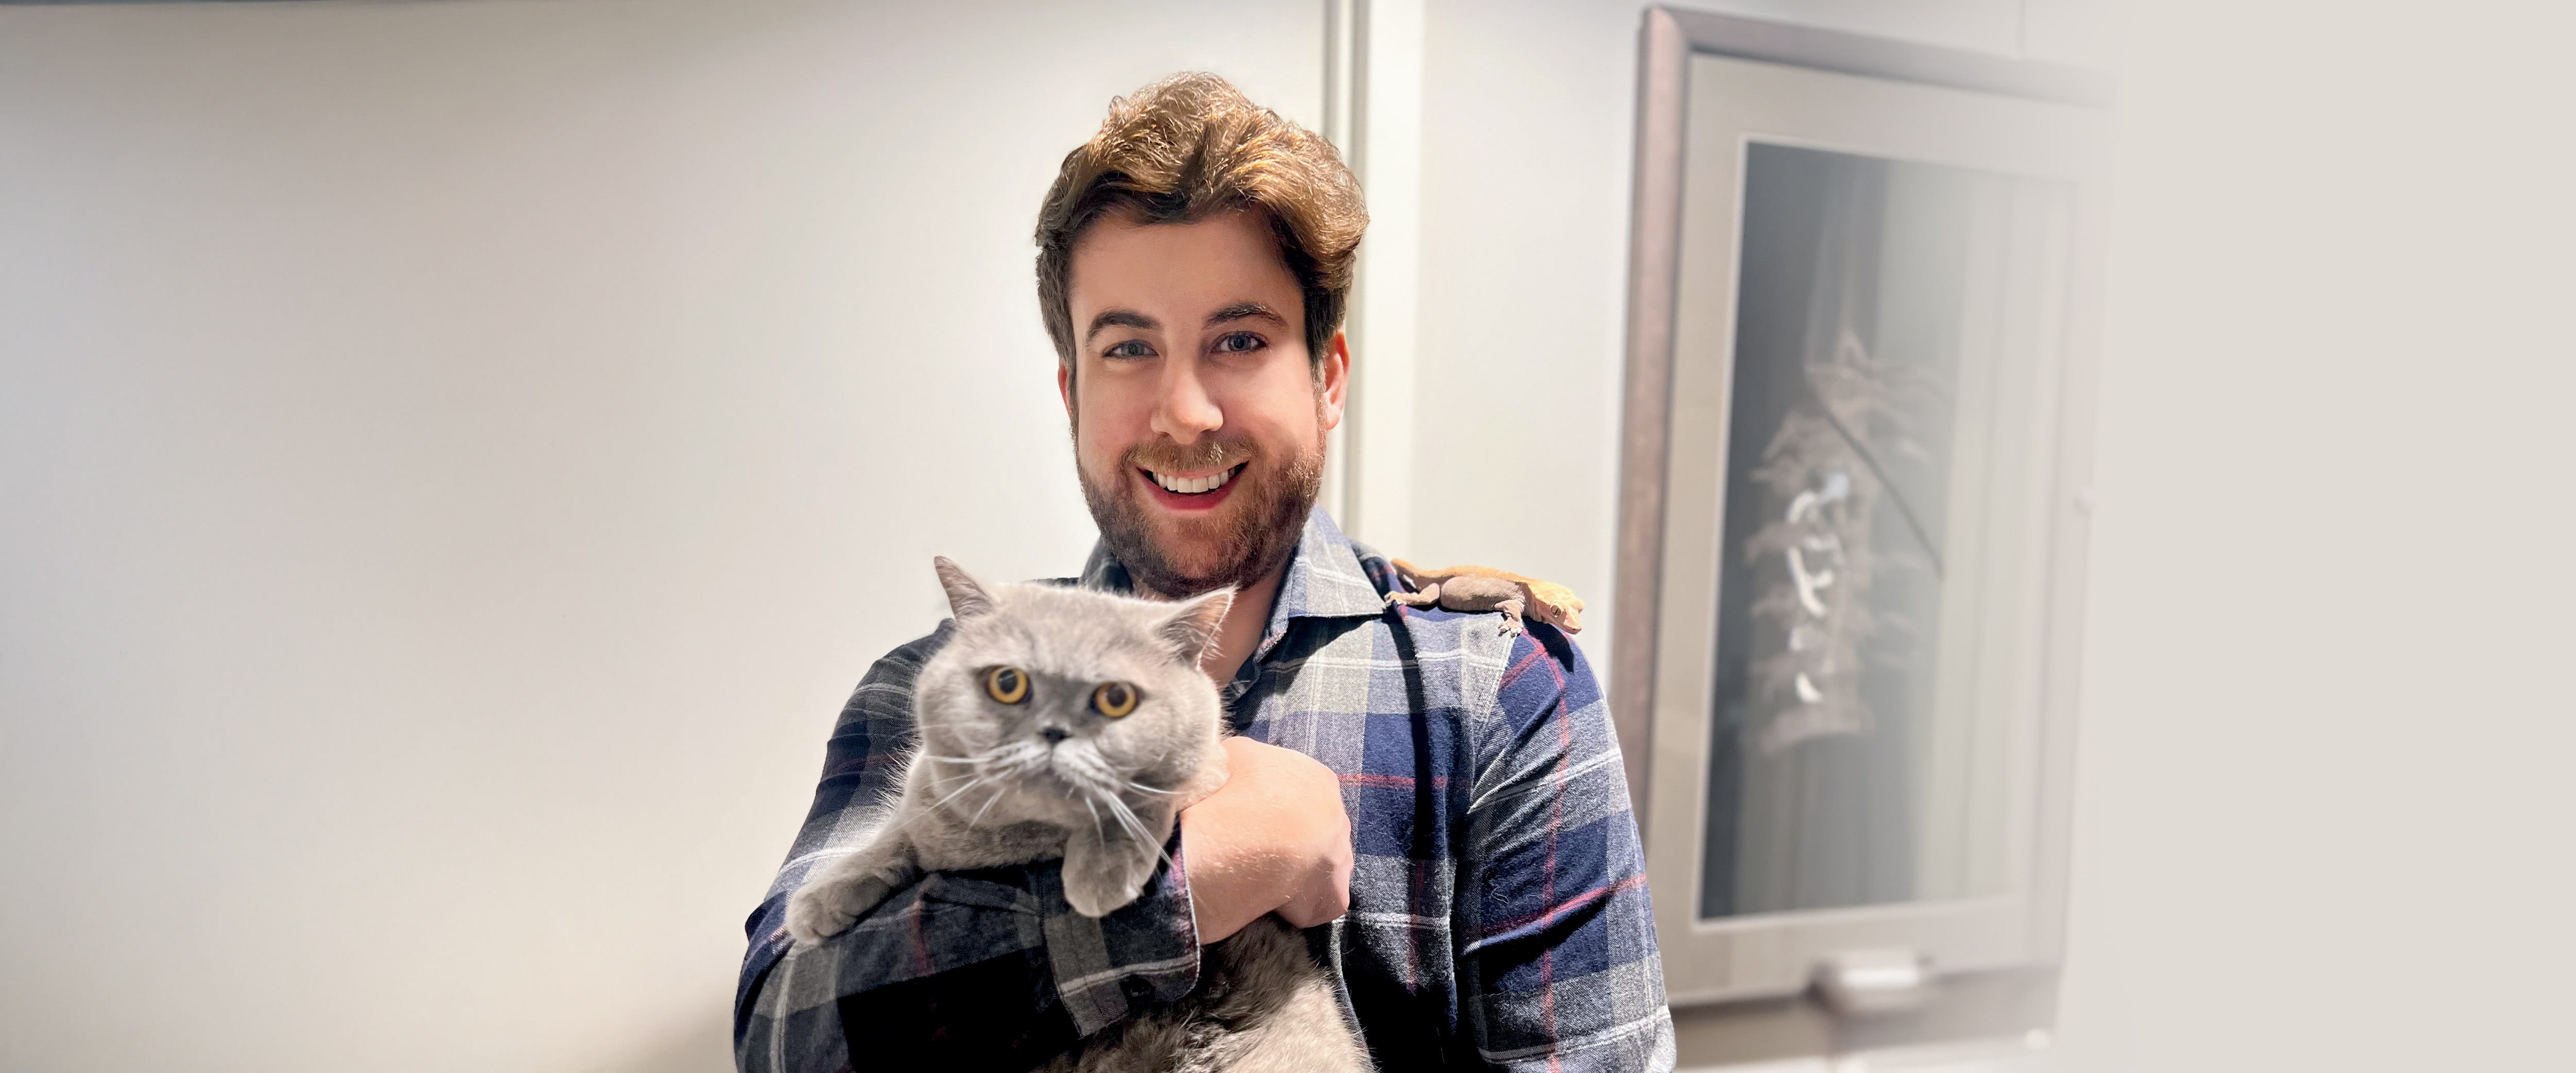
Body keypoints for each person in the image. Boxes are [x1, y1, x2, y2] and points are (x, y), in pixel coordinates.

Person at [734, 72, 1671, 1073]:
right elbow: (787, 1037)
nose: (1184, 412)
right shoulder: (937, 683)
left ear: (1327, 377)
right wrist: (1190, 889)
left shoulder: (1497, 690)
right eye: (1130, 347)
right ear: (1072, 392)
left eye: (1238, 340)